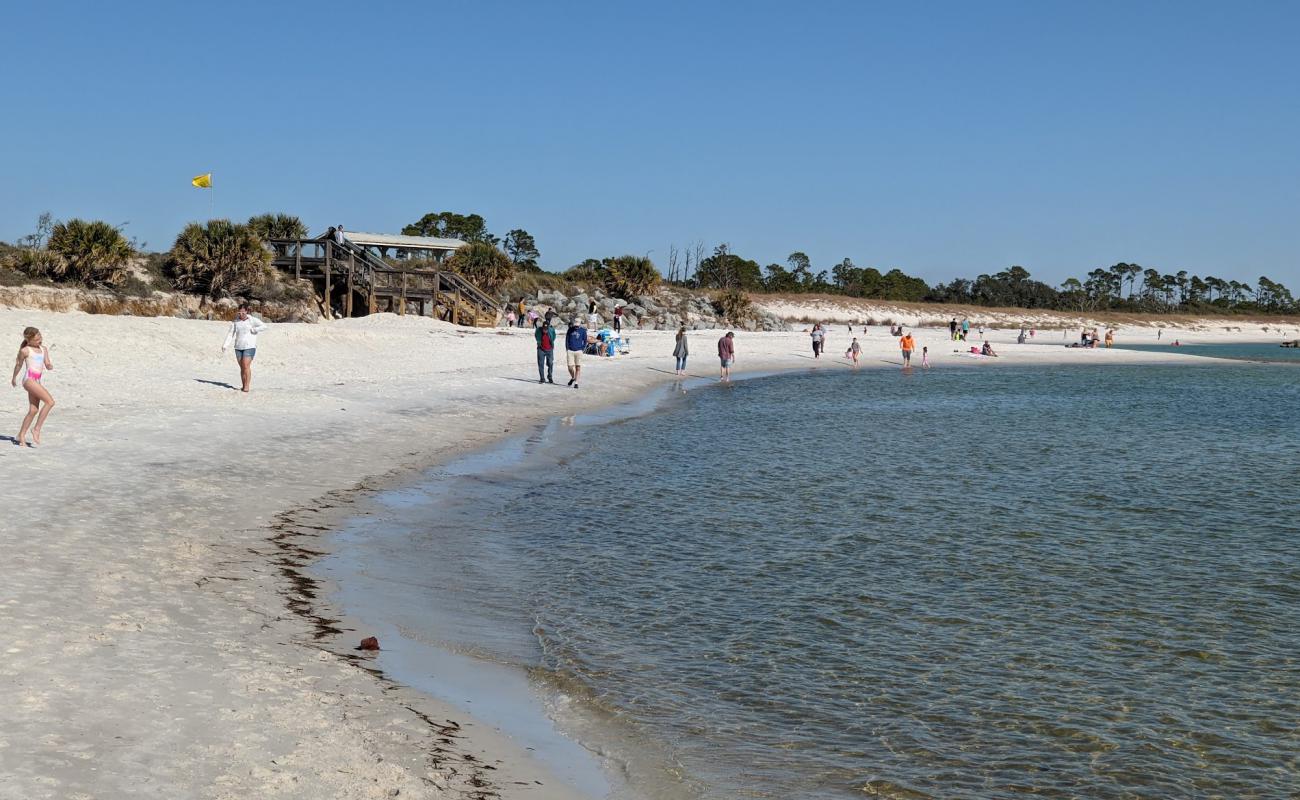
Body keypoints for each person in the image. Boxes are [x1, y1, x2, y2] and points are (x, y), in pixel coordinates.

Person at [12, 326, 55, 447]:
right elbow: (19, 365)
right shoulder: (25, 350)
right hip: (29, 380)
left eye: (40, 337)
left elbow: (47, 363)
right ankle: (36, 429)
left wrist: (50, 365)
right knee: (50, 402)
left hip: (37, 380)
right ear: (28, 340)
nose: (39, 341)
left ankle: (21, 435)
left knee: (33, 410)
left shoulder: (44, 349)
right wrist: (14, 377)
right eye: (36, 339)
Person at [221, 304, 268, 393]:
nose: (241, 314)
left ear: (246, 311)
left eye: (243, 312)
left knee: (246, 366)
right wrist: (225, 345)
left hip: (249, 346)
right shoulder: (235, 322)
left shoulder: (252, 320)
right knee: (242, 367)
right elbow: (231, 334)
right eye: (240, 312)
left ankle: (247, 386)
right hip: (238, 347)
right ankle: (243, 385)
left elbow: (264, 326)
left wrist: (255, 330)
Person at [565, 319, 587, 388]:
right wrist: (567, 348)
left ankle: (576, 383)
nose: (576, 327)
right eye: (575, 325)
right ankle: (573, 377)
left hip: (579, 351)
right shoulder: (570, 330)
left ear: (580, 324)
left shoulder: (583, 331)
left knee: (578, 367)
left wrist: (582, 349)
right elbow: (567, 339)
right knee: (570, 367)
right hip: (570, 351)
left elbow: (585, 340)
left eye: (577, 325)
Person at [535, 316, 557, 384]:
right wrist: (538, 342)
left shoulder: (551, 330)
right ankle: (542, 378)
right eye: (544, 329)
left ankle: (550, 377)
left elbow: (554, 336)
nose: (545, 330)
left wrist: (552, 342)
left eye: (546, 329)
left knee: (550, 363)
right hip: (541, 349)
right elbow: (536, 336)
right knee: (540, 364)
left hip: (549, 349)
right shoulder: (538, 330)